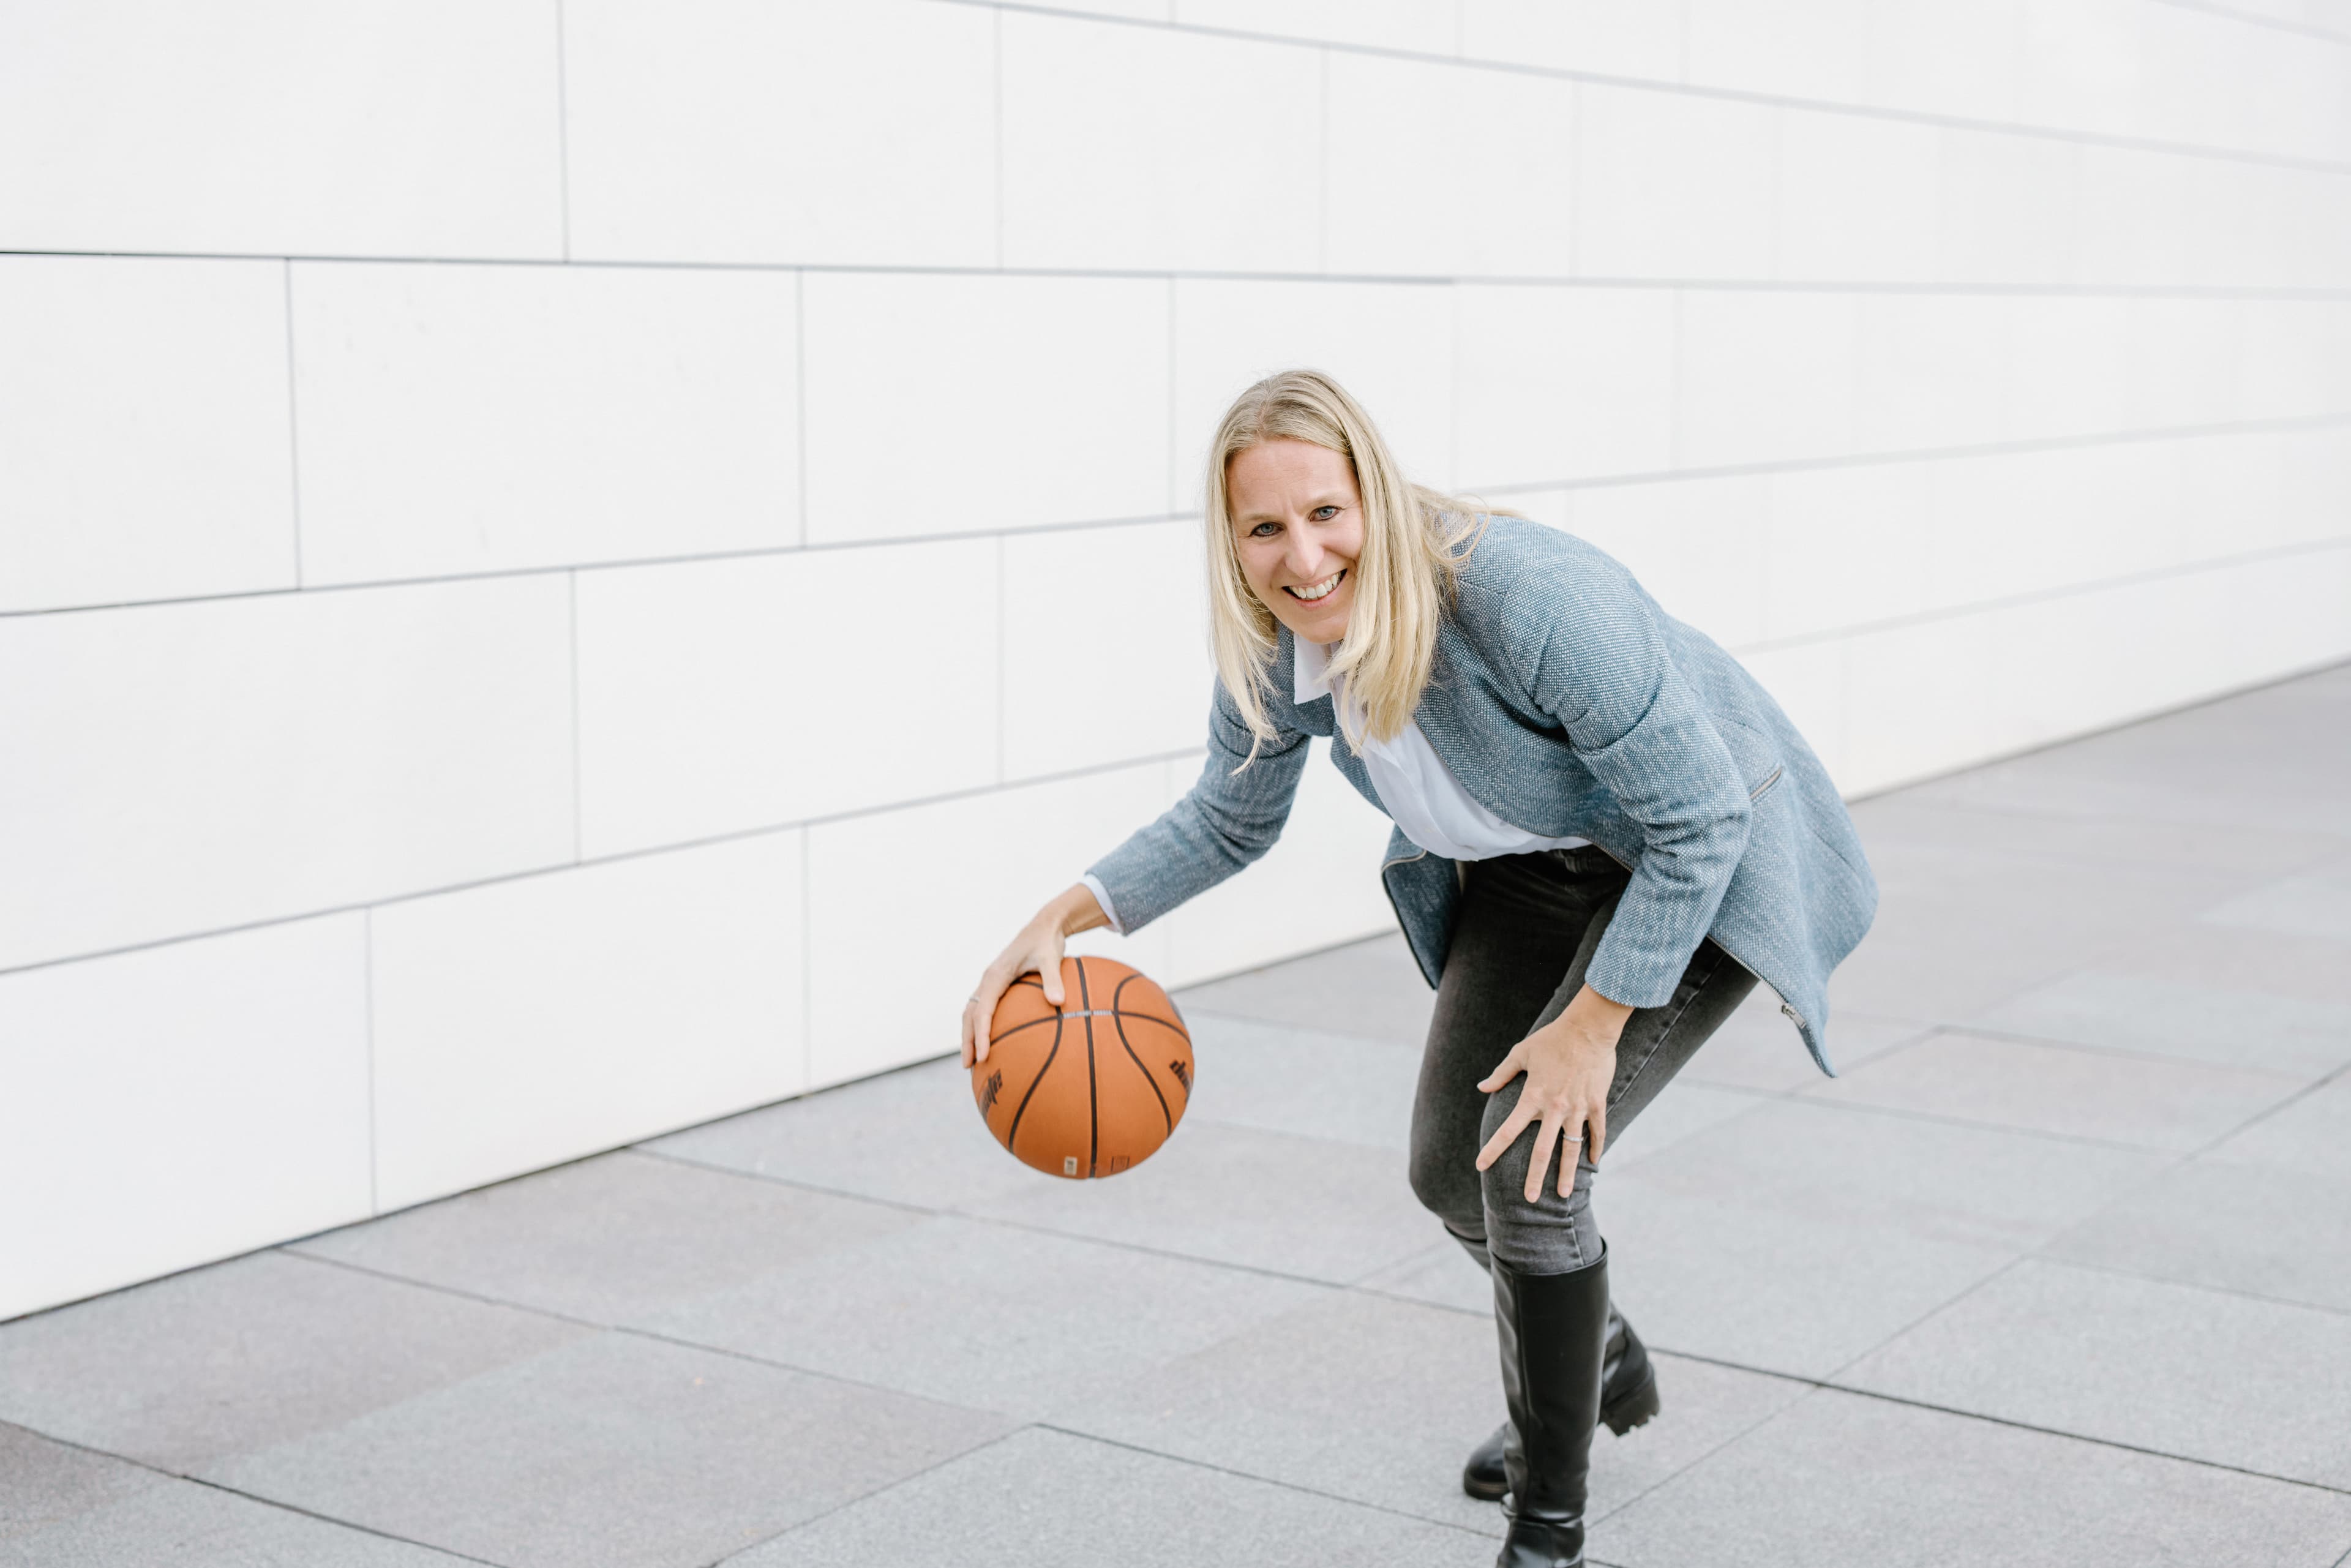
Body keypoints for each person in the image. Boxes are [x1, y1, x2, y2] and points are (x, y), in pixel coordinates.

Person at [962, 369, 1877, 1568]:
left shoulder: (1533, 600)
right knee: (1451, 1175)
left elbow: (1702, 819)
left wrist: (1592, 1027)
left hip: (1685, 872)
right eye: (1265, 528)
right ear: (1230, 543)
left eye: (1326, 512)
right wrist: (1063, 916)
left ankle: (1549, 1528)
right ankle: (1593, 1357)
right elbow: (1231, 818)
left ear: (1376, 498)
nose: (1303, 556)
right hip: (1524, 878)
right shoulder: (1277, 642)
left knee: (1533, 1167)